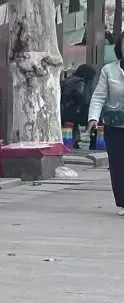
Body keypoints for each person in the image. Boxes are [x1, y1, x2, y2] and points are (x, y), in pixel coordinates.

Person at [88, 37, 124, 215]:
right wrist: (93, 118)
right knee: (118, 165)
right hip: (115, 126)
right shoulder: (108, 70)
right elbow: (99, 96)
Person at [62, 64, 98, 150]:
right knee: (96, 120)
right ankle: (94, 145)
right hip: (75, 111)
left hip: (66, 111)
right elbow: (85, 99)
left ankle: (76, 142)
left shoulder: (68, 79)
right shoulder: (81, 81)